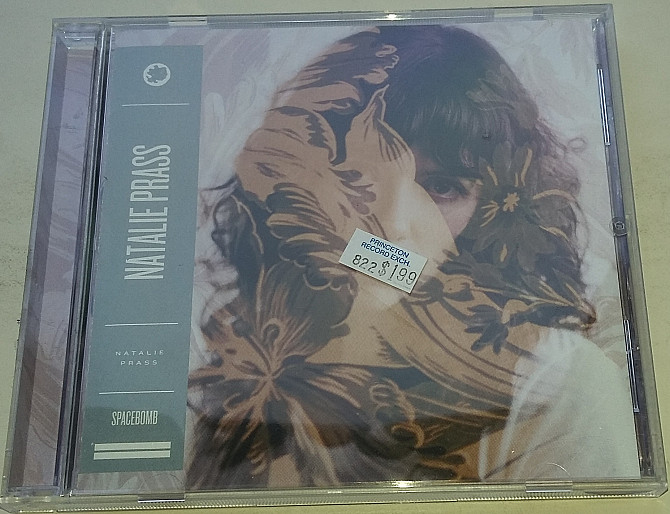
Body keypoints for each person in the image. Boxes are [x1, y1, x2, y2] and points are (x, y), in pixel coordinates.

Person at [186, 24, 639, 489]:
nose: (394, 221)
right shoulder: (215, 351)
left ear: (493, 209)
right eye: (358, 173)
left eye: (442, 187)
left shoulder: (560, 386)